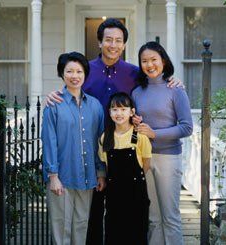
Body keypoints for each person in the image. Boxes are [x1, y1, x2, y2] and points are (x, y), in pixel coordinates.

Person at [45, 18, 183, 244]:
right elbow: (71, 82)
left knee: (125, 213)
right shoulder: (86, 69)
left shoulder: (134, 72)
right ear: (99, 42)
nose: (113, 44)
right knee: (90, 214)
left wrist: (172, 80)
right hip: (92, 149)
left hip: (126, 150)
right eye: (108, 39)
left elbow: (155, 79)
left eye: (118, 40)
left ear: (124, 45)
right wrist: (54, 95)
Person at [132, 41, 193, 245]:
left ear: (163, 61)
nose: (149, 65)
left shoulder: (175, 89)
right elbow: (137, 128)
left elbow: (186, 127)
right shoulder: (137, 92)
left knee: (170, 217)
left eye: (153, 60)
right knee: (154, 218)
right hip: (145, 158)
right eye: (144, 61)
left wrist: (154, 134)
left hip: (168, 158)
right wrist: (136, 123)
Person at [42, 52, 106, 245]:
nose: (74, 75)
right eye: (69, 71)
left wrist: (101, 172)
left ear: (85, 74)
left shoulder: (95, 106)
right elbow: (49, 141)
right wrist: (53, 176)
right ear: (62, 74)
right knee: (62, 229)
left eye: (79, 71)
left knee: (81, 226)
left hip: (88, 176)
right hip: (61, 177)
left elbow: (100, 142)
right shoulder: (53, 105)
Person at [99, 92, 152, 245]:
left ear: (132, 112)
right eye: (114, 109)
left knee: (136, 231)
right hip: (114, 193)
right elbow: (105, 162)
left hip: (136, 191)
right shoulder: (105, 137)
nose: (119, 113)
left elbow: (146, 163)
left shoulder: (138, 136)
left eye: (123, 109)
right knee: (114, 230)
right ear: (109, 112)